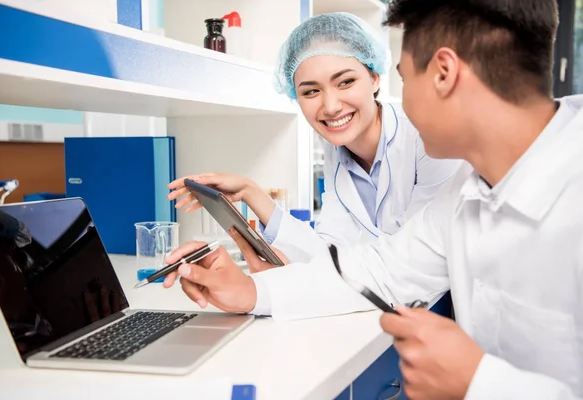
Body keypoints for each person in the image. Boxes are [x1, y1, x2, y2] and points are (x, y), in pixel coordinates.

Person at [164, 0, 583, 398]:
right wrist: (250, 291)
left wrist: (478, 383)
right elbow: (377, 269)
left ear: (442, 73)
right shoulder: (466, 192)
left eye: (402, 75)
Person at [167, 12, 461, 265]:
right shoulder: (338, 147)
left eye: (345, 82)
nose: (331, 107)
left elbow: (413, 260)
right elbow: (328, 251)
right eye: (311, 91)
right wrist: (250, 192)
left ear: (374, 78)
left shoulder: (427, 138)